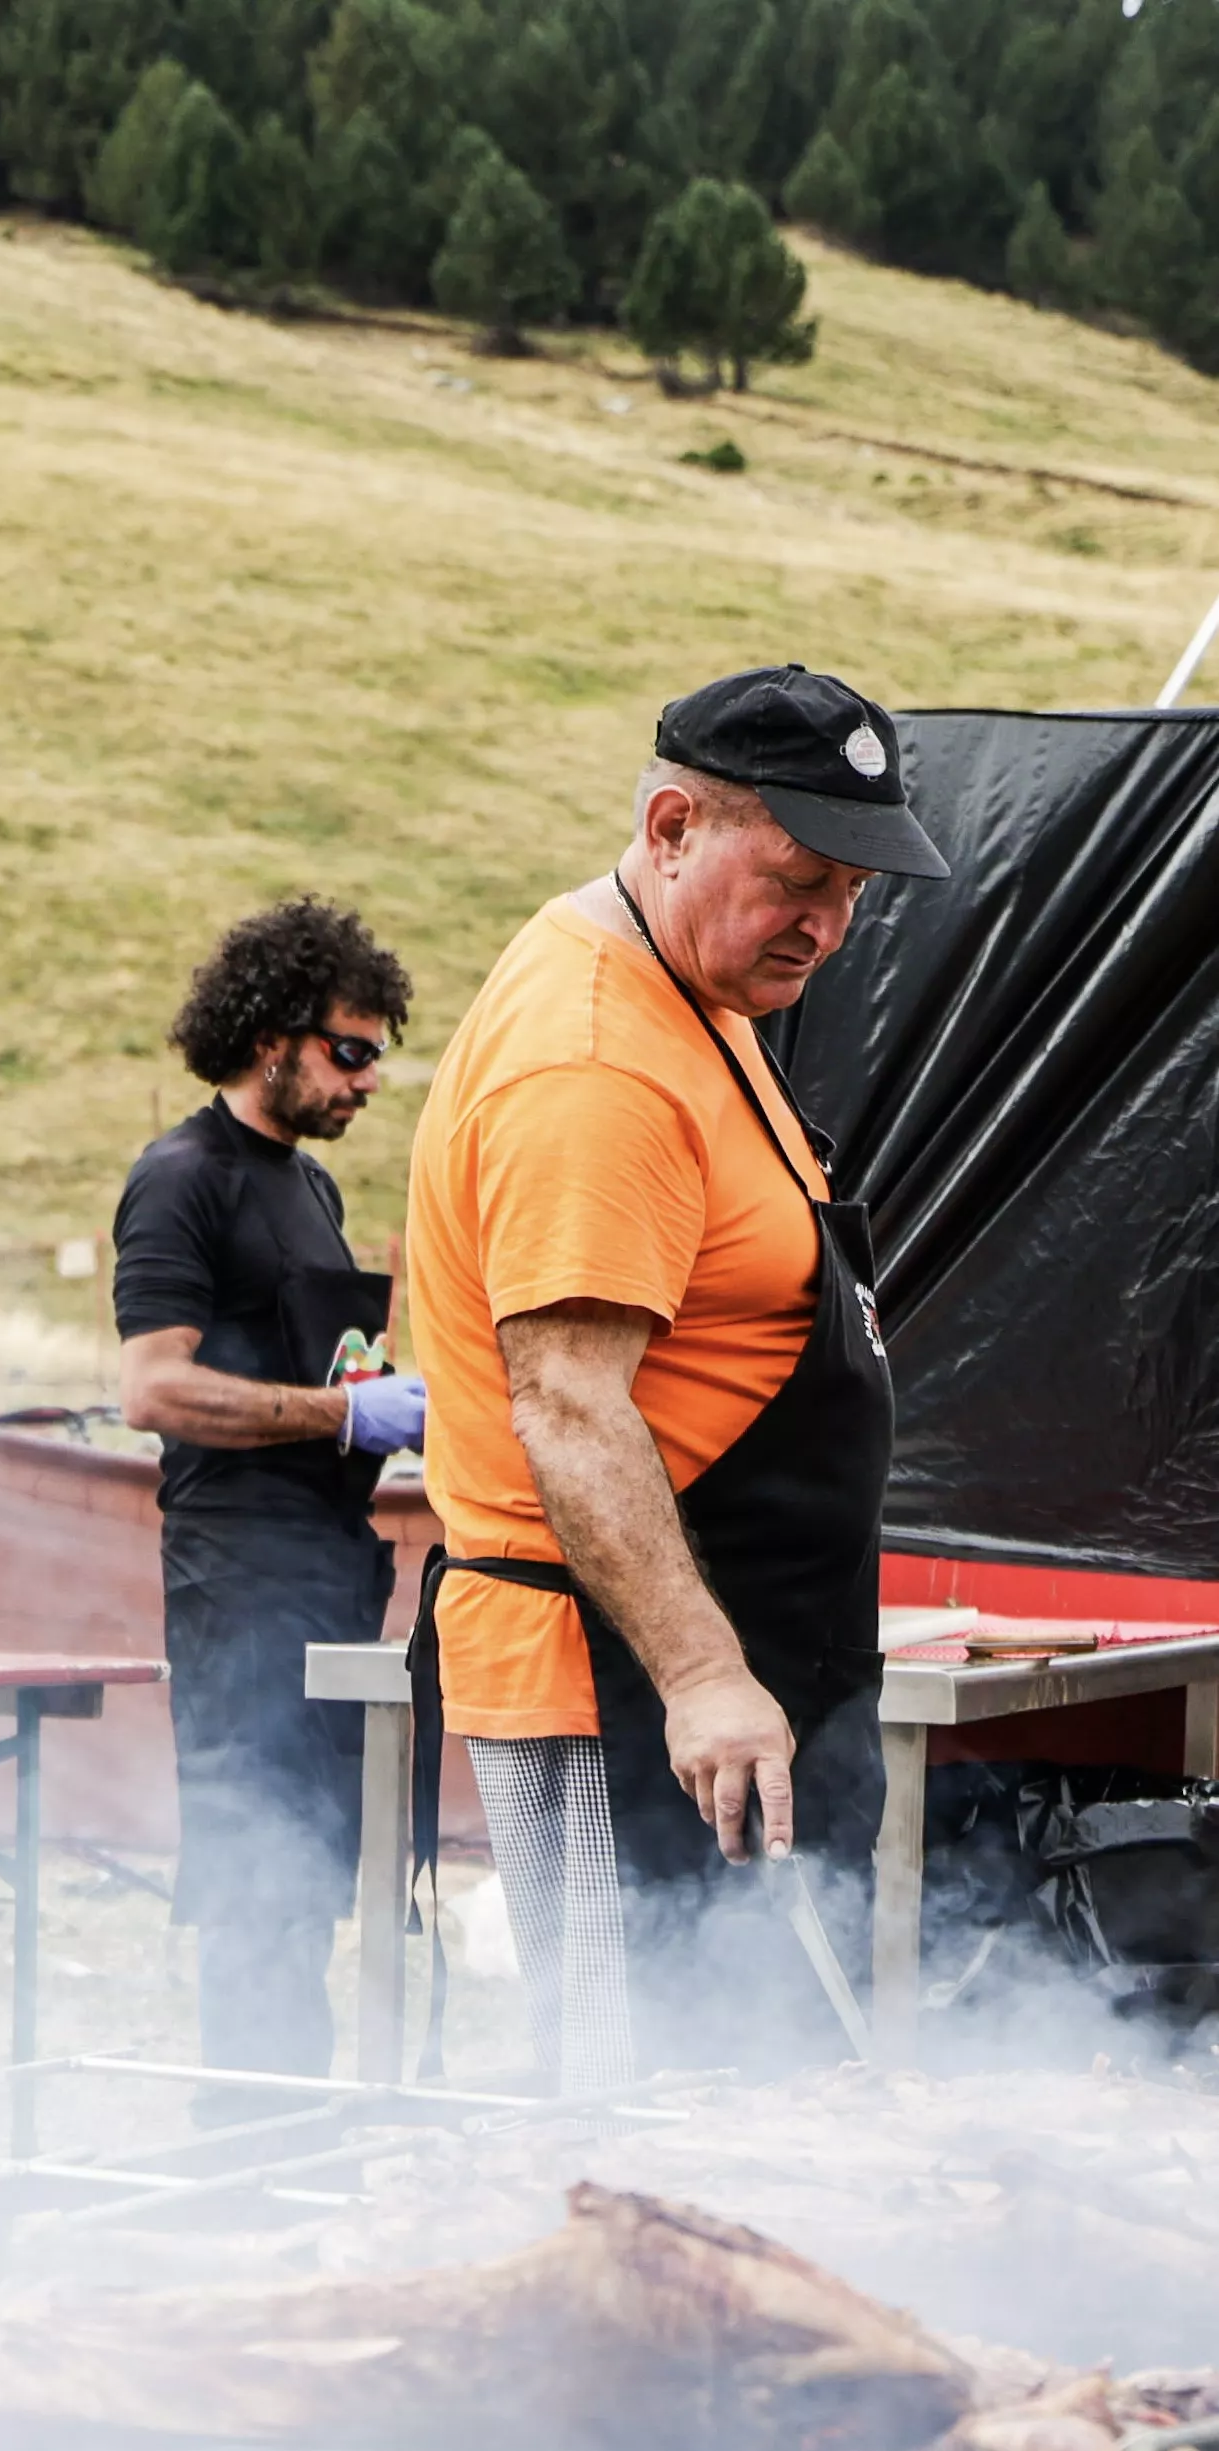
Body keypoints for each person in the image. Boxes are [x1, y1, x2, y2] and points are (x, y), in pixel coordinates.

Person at [403, 664, 948, 2091]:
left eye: (853, 891)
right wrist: (703, 1675)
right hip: (622, 1689)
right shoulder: (591, 1063)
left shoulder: (684, 993)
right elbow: (565, 1402)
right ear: (668, 825)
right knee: (647, 2124)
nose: (825, 927)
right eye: (797, 879)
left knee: (760, 2108)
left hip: (742, 1659)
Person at [110, 898, 424, 2096]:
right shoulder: (180, 1177)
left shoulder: (313, 1190)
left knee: (313, 1877)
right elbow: (153, 1388)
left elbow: (310, 1374)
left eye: (377, 1056)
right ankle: (245, 2141)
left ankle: (297, 2125)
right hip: (236, 1579)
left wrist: (375, 1393)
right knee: (257, 1882)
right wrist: (345, 1416)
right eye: (348, 1051)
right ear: (268, 1040)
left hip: (328, 1564)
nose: (367, 1080)